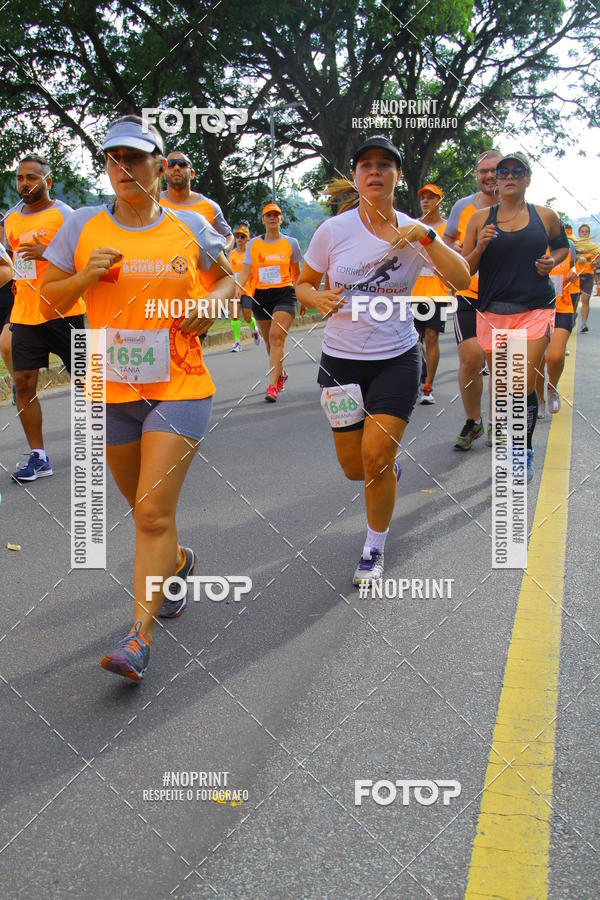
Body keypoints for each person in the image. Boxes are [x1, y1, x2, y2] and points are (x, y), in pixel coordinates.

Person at [41, 116, 235, 682]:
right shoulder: (81, 226)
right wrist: (82, 280)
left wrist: (213, 305)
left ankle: (138, 638)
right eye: (113, 160)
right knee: (143, 510)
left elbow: (230, 279)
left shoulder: (189, 224)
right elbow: (47, 300)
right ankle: (177, 563)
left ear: (158, 164)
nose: (124, 170)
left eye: (136, 159)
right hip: (110, 387)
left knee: (151, 512)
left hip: (180, 383)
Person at [295, 136, 470, 586]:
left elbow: (462, 278)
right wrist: (317, 297)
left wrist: (429, 236)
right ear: (356, 176)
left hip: (396, 357)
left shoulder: (414, 232)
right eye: (366, 165)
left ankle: (374, 546)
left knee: (373, 459)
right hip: (340, 362)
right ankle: (386, 469)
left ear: (397, 177)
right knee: (356, 468)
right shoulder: (333, 231)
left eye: (385, 165)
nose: (375, 172)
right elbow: (303, 283)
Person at [462, 151, 569, 483]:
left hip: (536, 309)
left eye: (516, 171)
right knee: (505, 387)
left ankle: (522, 449)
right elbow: (465, 268)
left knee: (521, 384)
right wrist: (479, 246)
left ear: (527, 178)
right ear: (496, 180)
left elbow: (563, 247)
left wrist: (552, 261)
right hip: (493, 312)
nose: (508, 176)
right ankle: (512, 442)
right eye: (502, 172)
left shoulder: (546, 216)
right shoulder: (480, 219)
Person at [2, 155, 85, 480]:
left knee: (86, 382)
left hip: (65, 310)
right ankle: (38, 456)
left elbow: (83, 261)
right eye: (20, 177)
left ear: (48, 182)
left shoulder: (67, 216)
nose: (24, 183)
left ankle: (105, 441)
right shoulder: (10, 220)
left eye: (32, 177)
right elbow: (17, 265)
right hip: (25, 313)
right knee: (23, 382)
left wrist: (47, 253)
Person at [444, 149, 502, 449]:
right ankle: (473, 421)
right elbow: (447, 240)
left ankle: (494, 422)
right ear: (476, 174)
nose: (489, 176)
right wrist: (456, 254)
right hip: (468, 292)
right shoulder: (463, 207)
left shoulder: (517, 208)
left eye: (495, 170)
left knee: (498, 362)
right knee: (470, 357)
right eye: (483, 171)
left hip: (505, 297)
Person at [236, 203, 302, 402]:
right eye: (268, 215)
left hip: (285, 294)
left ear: (281, 219)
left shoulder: (291, 243)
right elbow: (246, 270)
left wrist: (302, 295)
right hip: (261, 295)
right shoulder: (254, 244)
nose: (272, 218)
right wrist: (239, 286)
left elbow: (297, 274)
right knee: (268, 341)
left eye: (276, 215)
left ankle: (272, 386)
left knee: (276, 337)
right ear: (263, 219)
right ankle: (280, 373)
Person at [411, 184, 449, 404]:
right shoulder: (413, 226)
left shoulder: (447, 228)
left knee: (432, 337)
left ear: (439, 201)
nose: (425, 201)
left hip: (437, 290)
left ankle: (428, 387)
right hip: (413, 290)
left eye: (431, 197)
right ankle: (417, 376)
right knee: (413, 339)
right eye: (423, 197)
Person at [159, 151, 234, 253]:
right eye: (171, 164)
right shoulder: (152, 203)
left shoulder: (210, 207)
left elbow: (228, 236)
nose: (176, 168)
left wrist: (222, 252)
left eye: (182, 164)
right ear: (163, 172)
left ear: (192, 174)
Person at [535, 240, 577, 417]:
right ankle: (539, 399)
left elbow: (572, 265)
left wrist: (573, 272)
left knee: (555, 356)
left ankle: (552, 388)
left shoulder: (568, 245)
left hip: (562, 308)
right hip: (535, 309)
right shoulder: (531, 241)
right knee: (537, 361)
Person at [228, 223, 260, 350]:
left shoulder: (251, 254)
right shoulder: (231, 254)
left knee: (247, 316)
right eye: (238, 237)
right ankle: (237, 342)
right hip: (233, 290)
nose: (239, 239)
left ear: (247, 239)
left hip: (247, 290)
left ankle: (254, 329)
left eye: (242, 237)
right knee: (234, 315)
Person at [572, 223, 600, 333]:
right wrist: (579, 258)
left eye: (586, 232)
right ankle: (572, 317)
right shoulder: (575, 246)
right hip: (576, 276)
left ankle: (583, 324)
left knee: (585, 300)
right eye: (582, 231)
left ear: (589, 234)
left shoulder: (594, 247)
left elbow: (597, 261)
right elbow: (570, 256)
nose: (584, 233)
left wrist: (594, 262)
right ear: (579, 233)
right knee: (574, 300)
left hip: (588, 275)